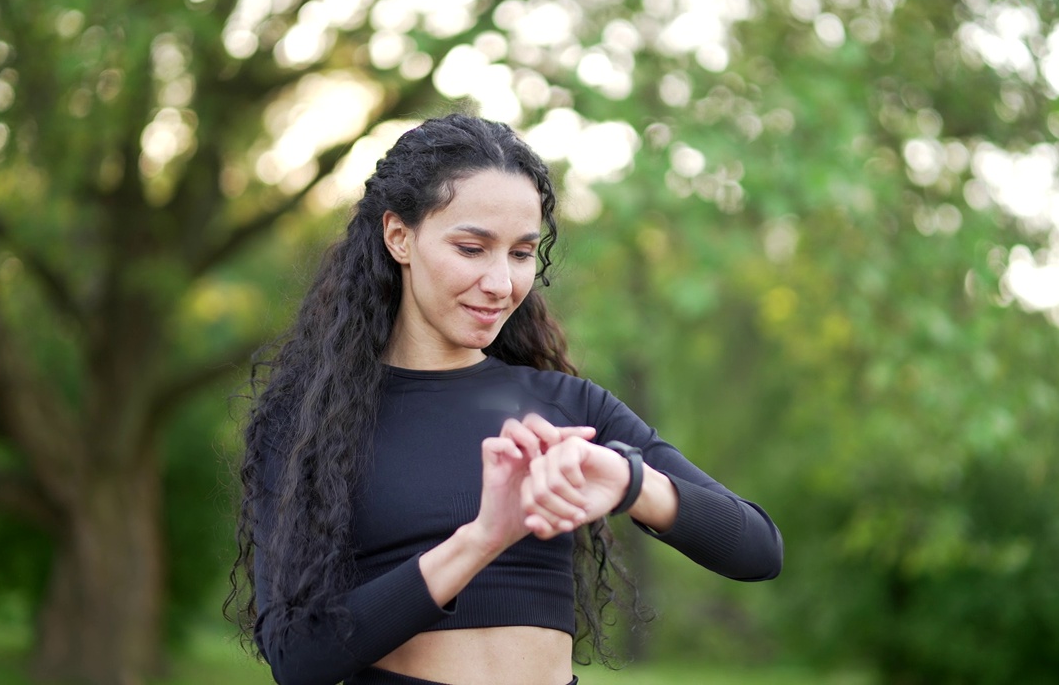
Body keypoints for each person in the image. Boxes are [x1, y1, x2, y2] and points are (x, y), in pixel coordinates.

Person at [226, 113, 783, 685]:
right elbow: (296, 656)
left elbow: (758, 549)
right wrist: (482, 539)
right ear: (399, 236)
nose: (501, 283)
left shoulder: (570, 411)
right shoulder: (313, 422)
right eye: (472, 248)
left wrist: (628, 482)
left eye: (521, 254)